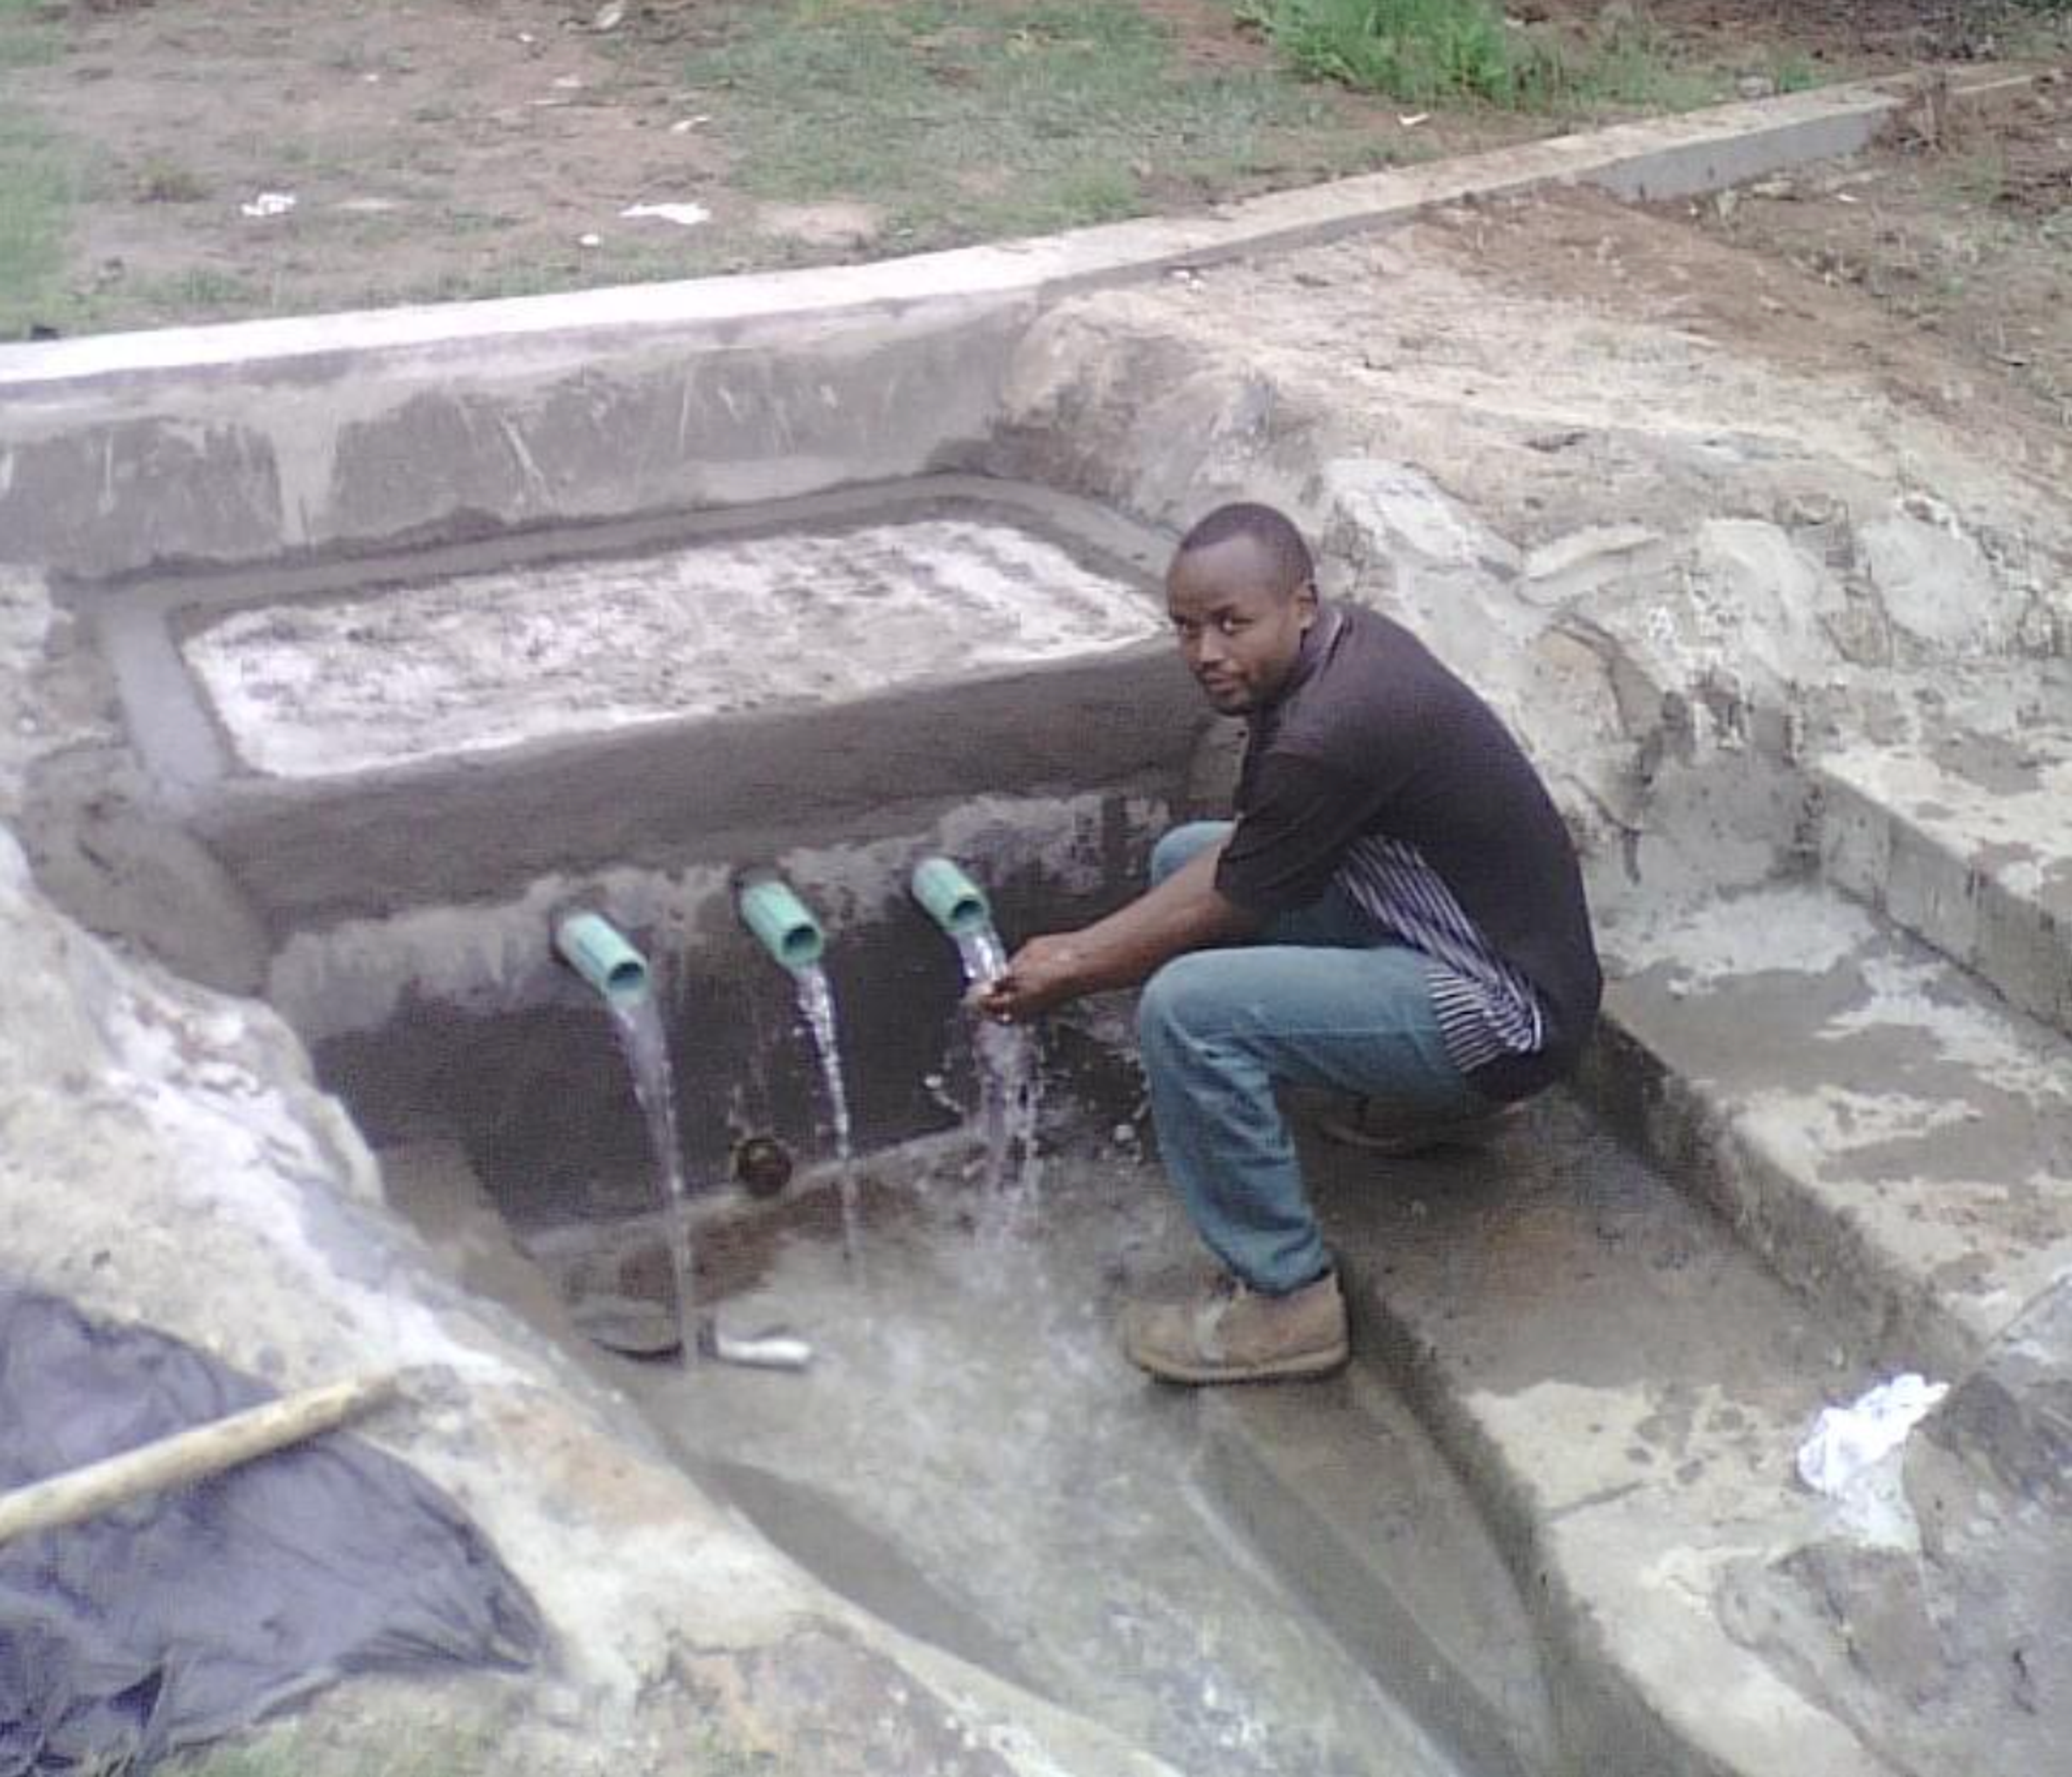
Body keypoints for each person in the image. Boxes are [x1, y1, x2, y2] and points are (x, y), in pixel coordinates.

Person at [976, 502, 1601, 1385]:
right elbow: (1242, 863)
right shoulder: (1343, 652)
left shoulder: (1330, 729)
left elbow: (1234, 902)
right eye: (1186, 629)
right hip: (1472, 943)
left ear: (1301, 603)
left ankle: (1286, 1301)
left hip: (1505, 1011)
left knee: (1188, 1011)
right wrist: (1093, 946)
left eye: (1232, 624)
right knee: (1179, 859)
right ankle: (1425, 1099)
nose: (1206, 654)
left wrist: (1072, 962)